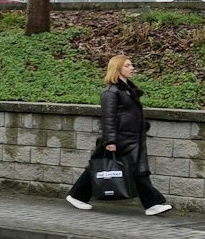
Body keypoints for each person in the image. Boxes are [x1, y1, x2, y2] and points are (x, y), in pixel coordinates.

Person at [67, 54, 172, 215]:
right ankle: (153, 204)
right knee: (134, 170)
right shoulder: (111, 92)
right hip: (120, 139)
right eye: (127, 65)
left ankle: (77, 196)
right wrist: (110, 140)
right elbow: (108, 118)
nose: (132, 68)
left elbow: (129, 114)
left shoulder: (128, 90)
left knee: (116, 168)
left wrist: (141, 125)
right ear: (117, 69)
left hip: (132, 138)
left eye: (131, 65)